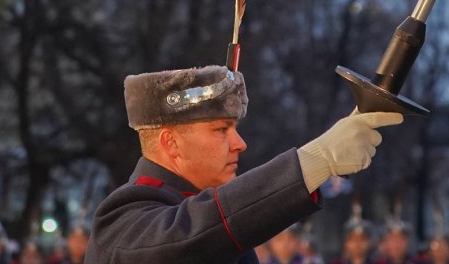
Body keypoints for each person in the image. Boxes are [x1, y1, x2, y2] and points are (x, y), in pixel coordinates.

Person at [85, 65, 403, 263]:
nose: (240, 143)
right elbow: (185, 236)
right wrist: (315, 161)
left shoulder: (215, 232)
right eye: (221, 130)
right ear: (171, 143)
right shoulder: (122, 221)